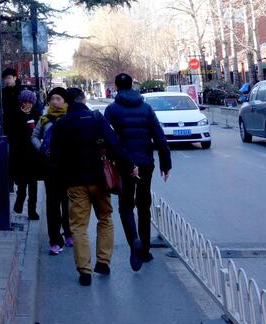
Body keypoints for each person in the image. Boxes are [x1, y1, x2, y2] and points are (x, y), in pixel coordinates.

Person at [50, 87, 136, 286]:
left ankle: (84, 271)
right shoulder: (96, 119)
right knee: (105, 219)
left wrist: (59, 180)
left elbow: (54, 157)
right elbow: (114, 145)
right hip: (100, 180)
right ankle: (104, 261)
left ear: (67, 103)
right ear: (83, 99)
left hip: (74, 183)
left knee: (78, 227)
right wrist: (130, 165)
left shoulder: (62, 124)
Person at [104, 72, 171, 271]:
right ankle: (146, 250)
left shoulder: (112, 110)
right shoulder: (146, 108)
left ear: (116, 87)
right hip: (145, 163)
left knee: (126, 206)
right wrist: (165, 164)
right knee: (144, 205)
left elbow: (107, 138)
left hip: (124, 164)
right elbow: (159, 137)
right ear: (132, 85)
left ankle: (134, 240)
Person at [32, 87, 73, 254]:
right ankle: (54, 239)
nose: (55, 102)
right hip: (50, 167)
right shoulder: (44, 119)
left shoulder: (70, 118)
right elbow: (34, 136)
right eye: (52, 99)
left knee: (68, 202)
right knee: (52, 204)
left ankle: (69, 232)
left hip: (68, 166)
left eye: (58, 99)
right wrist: (41, 147)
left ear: (65, 102)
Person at [9, 89, 41, 219]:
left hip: (33, 155)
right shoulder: (15, 115)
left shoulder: (37, 114)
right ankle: (19, 203)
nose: (28, 104)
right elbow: (11, 134)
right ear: (21, 103)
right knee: (22, 184)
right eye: (25, 102)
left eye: (30, 102)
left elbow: (40, 133)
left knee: (33, 186)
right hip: (19, 154)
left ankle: (32, 211)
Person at [1, 67, 21, 138]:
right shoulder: (2, 92)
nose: (7, 80)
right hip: (8, 125)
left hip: (21, 125)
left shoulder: (22, 91)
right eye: (5, 78)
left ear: (15, 78)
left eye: (9, 78)